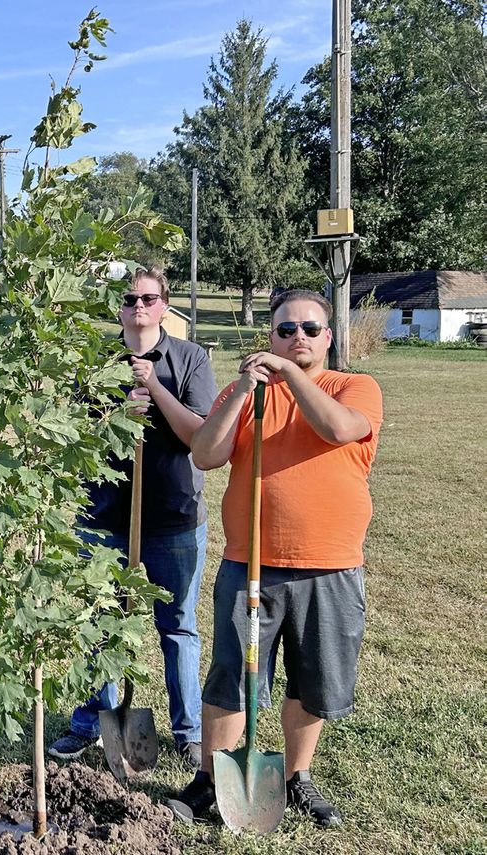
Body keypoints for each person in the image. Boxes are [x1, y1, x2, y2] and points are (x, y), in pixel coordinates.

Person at [168, 288, 383, 828]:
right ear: (271, 336)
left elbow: (338, 428)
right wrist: (243, 389)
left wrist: (293, 378)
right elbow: (206, 453)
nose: (298, 339)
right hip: (250, 564)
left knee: (312, 683)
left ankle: (295, 778)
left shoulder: (354, 387)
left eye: (310, 329)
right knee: (232, 678)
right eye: (286, 330)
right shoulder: (249, 394)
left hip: (329, 566)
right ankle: (210, 781)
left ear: (328, 337)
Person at [47, 267, 217, 769]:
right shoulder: (97, 363)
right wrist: (118, 409)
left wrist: (155, 392)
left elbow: (200, 436)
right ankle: (91, 721)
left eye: (148, 298)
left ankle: (187, 733)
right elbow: (74, 437)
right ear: (119, 307)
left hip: (174, 518)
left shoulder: (190, 360)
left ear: (164, 305)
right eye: (129, 299)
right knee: (96, 622)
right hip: (103, 519)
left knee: (178, 626)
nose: (138, 306)